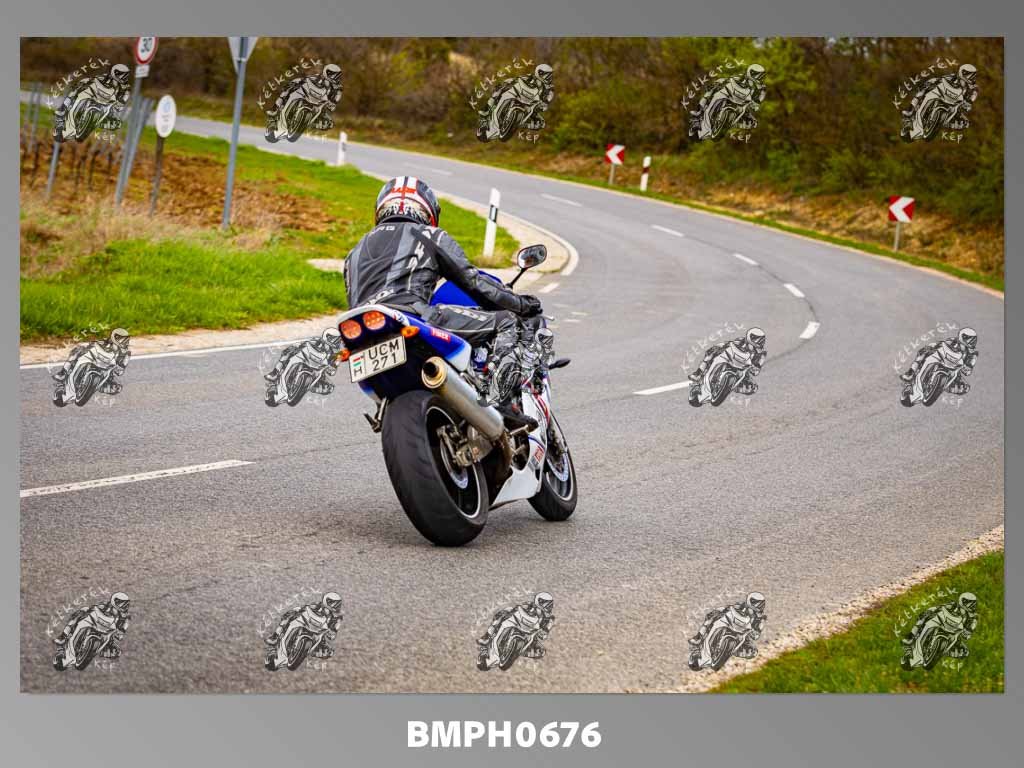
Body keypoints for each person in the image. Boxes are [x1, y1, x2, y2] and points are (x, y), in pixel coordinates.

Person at [343, 177, 544, 424]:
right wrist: (523, 305)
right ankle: (500, 401)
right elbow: (473, 282)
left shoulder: (354, 252)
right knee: (507, 321)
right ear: (428, 211)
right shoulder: (429, 234)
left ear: (381, 209)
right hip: (413, 315)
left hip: (363, 330)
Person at [53, 64, 131, 143]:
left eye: (125, 75)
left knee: (114, 119)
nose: (123, 77)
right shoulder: (104, 77)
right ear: (115, 72)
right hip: (94, 94)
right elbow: (92, 79)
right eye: (121, 74)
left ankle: (101, 123)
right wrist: (83, 83)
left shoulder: (125, 87)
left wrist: (120, 104)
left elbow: (125, 96)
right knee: (75, 92)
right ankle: (63, 108)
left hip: (108, 101)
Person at [900, 327, 978, 405]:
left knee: (965, 388)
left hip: (954, 369)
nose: (971, 342)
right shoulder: (952, 341)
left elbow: (970, 366)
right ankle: (911, 372)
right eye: (970, 339)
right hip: (942, 359)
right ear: (962, 336)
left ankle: (941, 388)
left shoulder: (973, 353)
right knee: (924, 351)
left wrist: (968, 368)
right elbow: (941, 344)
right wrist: (931, 347)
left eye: (973, 340)